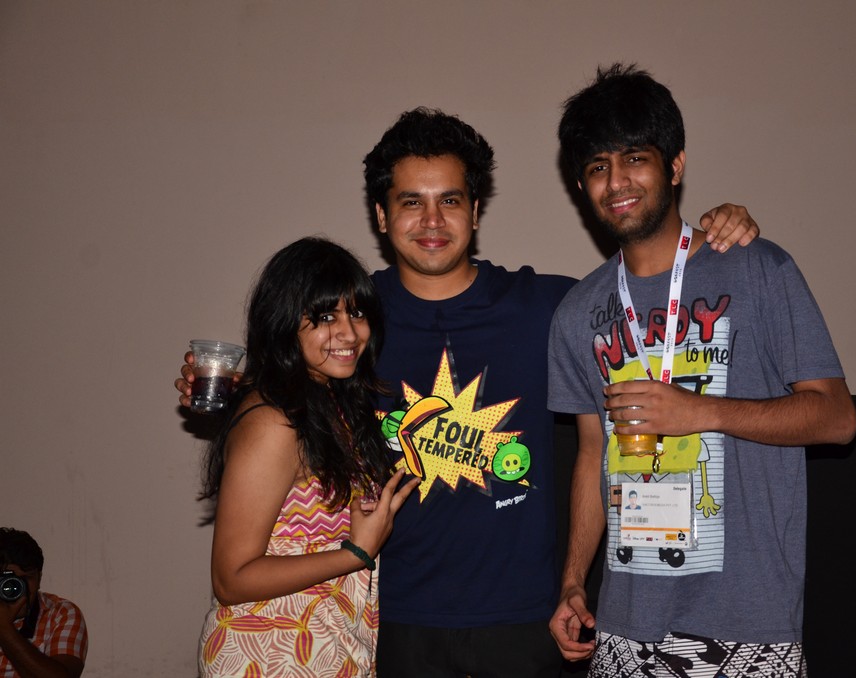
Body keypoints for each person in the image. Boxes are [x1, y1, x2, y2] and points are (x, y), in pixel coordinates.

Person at [177, 108, 760, 677]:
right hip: (390, 625)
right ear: (381, 215)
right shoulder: (357, 321)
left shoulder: (549, 306)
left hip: (525, 621)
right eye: (411, 202)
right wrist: (227, 391)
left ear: (475, 211)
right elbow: (290, 373)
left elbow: (653, 286)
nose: (432, 221)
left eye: (450, 201)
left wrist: (717, 229)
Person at [547, 64, 856, 677]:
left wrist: (700, 411)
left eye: (635, 158)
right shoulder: (578, 313)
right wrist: (574, 581)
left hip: (747, 626)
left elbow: (838, 418)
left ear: (675, 165)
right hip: (624, 628)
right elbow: (592, 454)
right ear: (582, 185)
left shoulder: (756, 268)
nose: (617, 181)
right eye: (598, 166)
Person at [195, 237, 419, 678]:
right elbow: (231, 578)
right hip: (267, 655)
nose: (349, 333)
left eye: (357, 313)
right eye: (325, 317)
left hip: (327, 648)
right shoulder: (274, 422)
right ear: (283, 324)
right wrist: (355, 553)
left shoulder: (332, 402)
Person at [0, 528, 87, 678]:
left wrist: (4, 628)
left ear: (39, 578)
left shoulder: (60, 614)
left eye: (27, 578)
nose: (19, 587)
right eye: (9, 579)